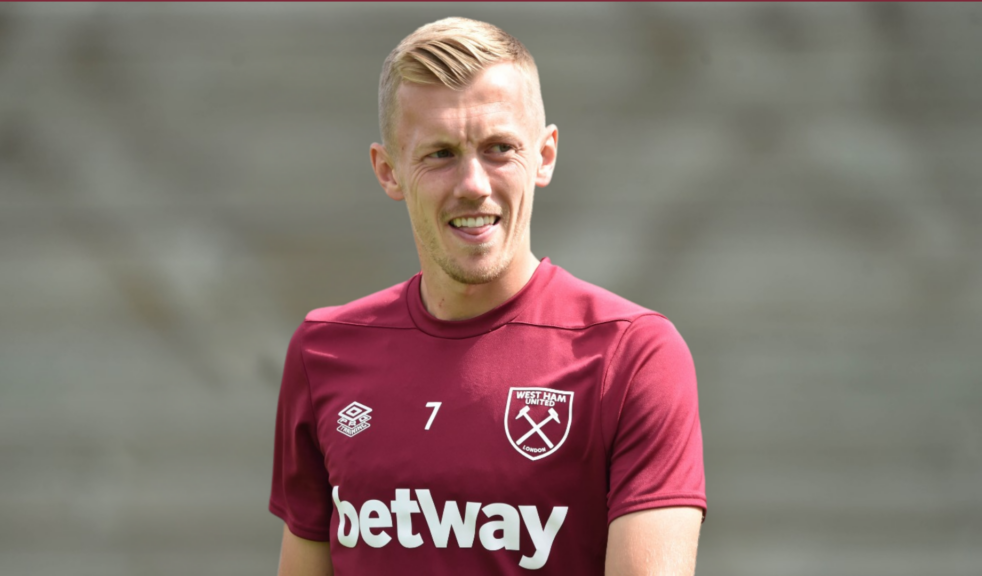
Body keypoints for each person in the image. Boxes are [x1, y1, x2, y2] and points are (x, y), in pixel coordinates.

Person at [270, 17, 706, 576]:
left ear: (544, 155)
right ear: (389, 171)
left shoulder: (634, 354)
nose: (473, 183)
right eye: (440, 154)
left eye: (499, 148)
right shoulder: (323, 351)